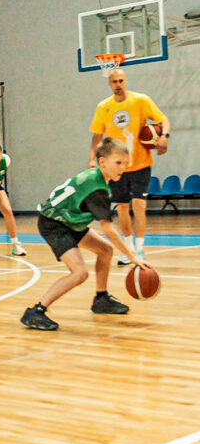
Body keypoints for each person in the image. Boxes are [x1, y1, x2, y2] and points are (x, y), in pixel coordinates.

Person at [21, 137, 153, 331]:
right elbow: (109, 230)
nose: (122, 168)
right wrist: (133, 257)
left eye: (124, 163)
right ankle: (36, 311)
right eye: (118, 163)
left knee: (105, 250)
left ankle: (101, 299)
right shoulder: (96, 187)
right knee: (80, 273)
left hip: (69, 221)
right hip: (54, 224)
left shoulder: (98, 178)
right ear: (102, 162)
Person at [88, 68, 170, 264]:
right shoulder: (103, 106)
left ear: (126, 81)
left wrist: (164, 138)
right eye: (114, 81)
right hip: (117, 167)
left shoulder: (140, 100)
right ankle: (128, 249)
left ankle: (140, 249)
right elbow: (97, 135)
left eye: (121, 80)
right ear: (110, 84)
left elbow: (163, 120)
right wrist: (92, 158)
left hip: (140, 163)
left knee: (139, 206)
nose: (118, 84)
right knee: (122, 208)